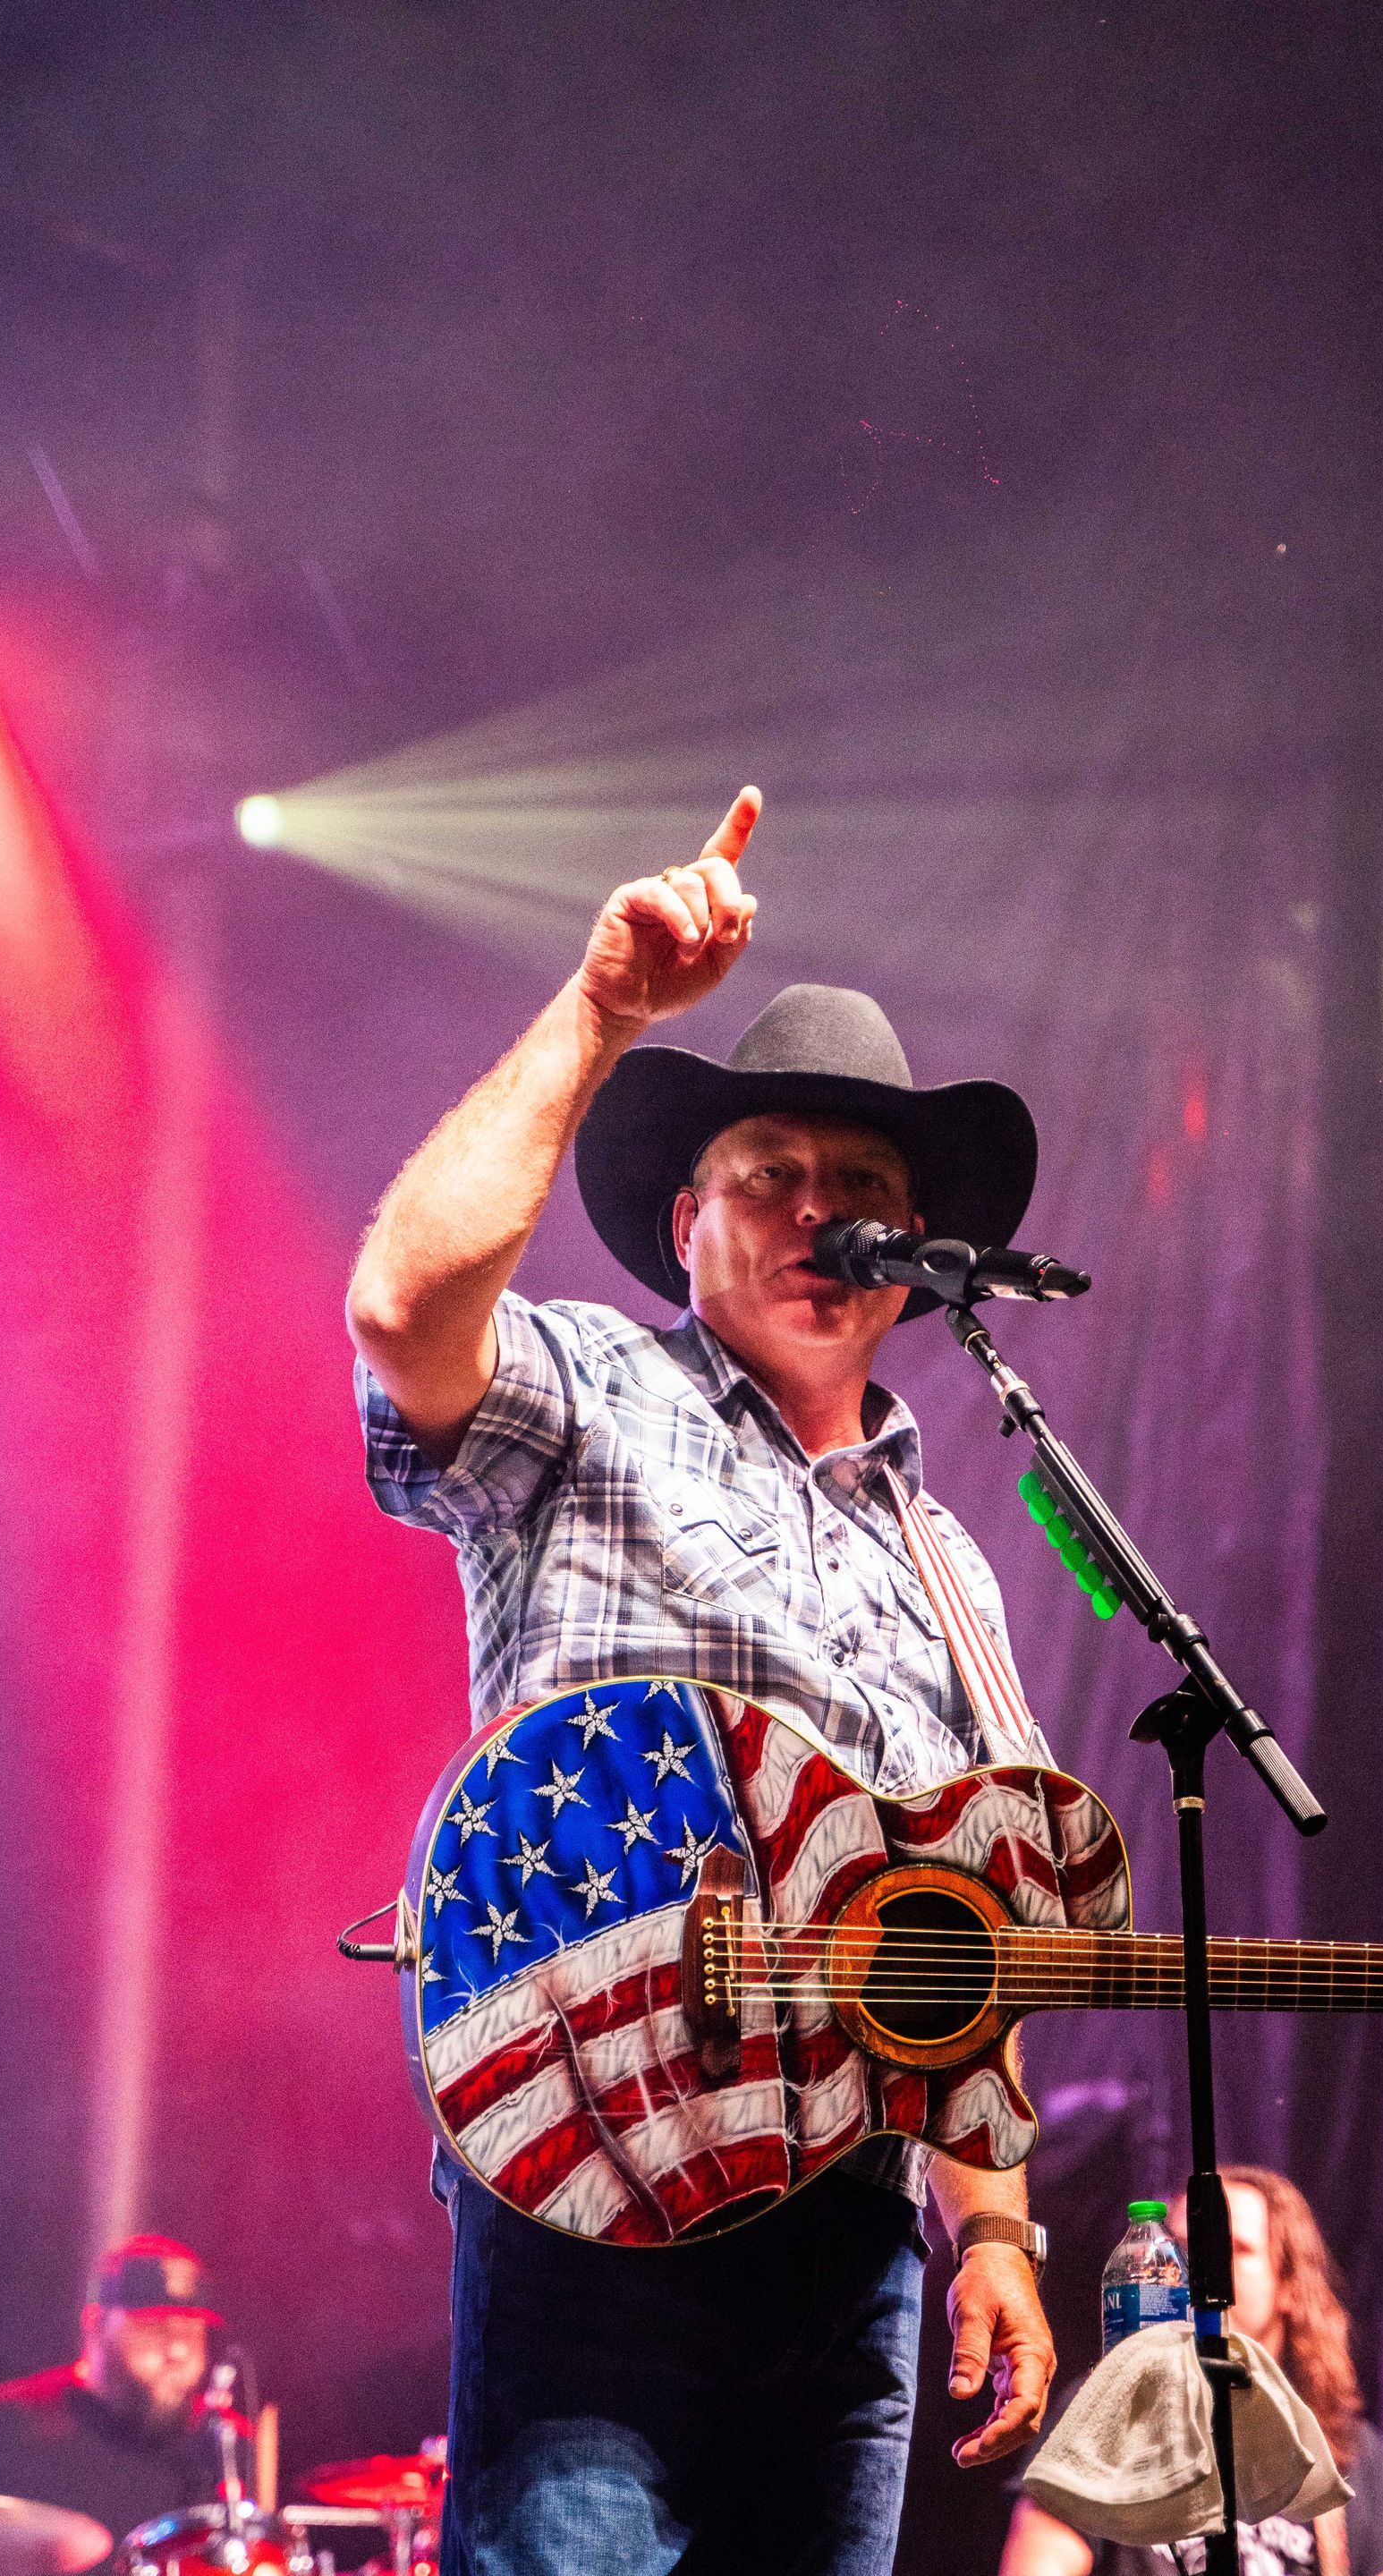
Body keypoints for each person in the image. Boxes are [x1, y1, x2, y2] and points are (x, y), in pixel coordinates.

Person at [345, 786, 1063, 2576]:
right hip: (598, 2171)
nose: (824, 1208)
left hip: (851, 2233)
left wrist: (997, 2231)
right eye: (774, 1175)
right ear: (687, 1222)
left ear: (919, 1257)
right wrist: (599, 1009)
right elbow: (402, 1303)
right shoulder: (593, 1389)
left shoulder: (948, 1563)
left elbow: (964, 1924)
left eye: (868, 1189)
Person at [998, 2170, 1383, 2576]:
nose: (1199, 2270)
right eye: (1183, 2250)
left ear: (1291, 2286)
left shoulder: (1352, 2453)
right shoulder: (1109, 2406)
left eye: (1233, 2249)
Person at [0, 2237, 231, 2559]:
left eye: (191, 2333)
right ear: (95, 2326)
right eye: (154, 2328)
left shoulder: (219, 2451)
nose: (177, 2351)